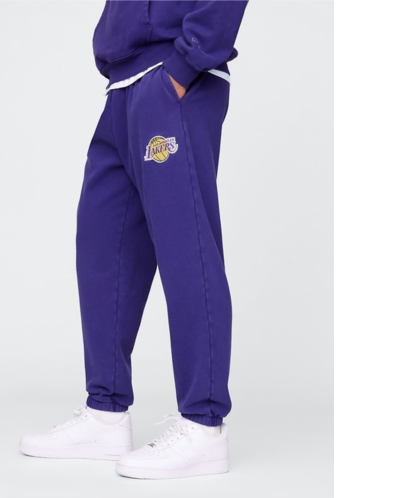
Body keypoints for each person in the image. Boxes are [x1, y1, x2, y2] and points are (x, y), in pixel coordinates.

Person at [20, 0, 250, 480]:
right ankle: (105, 413)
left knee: (186, 247)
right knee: (101, 249)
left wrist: (185, 64)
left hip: (176, 77)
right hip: (122, 87)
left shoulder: (178, 74)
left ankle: (204, 424)